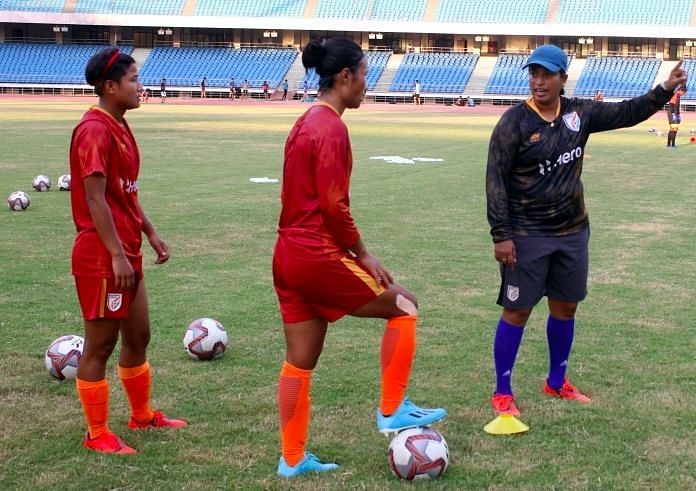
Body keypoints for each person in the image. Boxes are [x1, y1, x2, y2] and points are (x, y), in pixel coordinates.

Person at [273, 37, 446, 478]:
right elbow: (333, 206)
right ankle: (392, 409)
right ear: (345, 76)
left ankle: (292, 459)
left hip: (288, 254)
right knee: (405, 305)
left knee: (301, 359)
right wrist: (363, 255)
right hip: (316, 252)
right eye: (365, 74)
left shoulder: (304, 121)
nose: (368, 83)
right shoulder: (331, 126)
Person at [485, 45, 687, 418]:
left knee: (566, 307)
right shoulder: (513, 123)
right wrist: (502, 234)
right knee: (518, 310)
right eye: (534, 74)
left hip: (572, 231)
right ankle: (502, 391)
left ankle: (557, 382)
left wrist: (664, 90)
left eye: (547, 74)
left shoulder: (580, 113)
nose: (539, 81)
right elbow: (495, 180)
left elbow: (628, 112)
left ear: (563, 78)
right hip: (526, 234)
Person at [70, 47, 187, 454]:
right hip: (103, 257)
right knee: (100, 345)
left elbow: (124, 194)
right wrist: (117, 254)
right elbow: (96, 199)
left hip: (127, 253)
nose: (141, 86)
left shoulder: (118, 125)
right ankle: (97, 434)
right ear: (110, 86)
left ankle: (141, 416)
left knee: (139, 336)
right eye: (134, 79)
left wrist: (150, 232)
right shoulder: (94, 129)